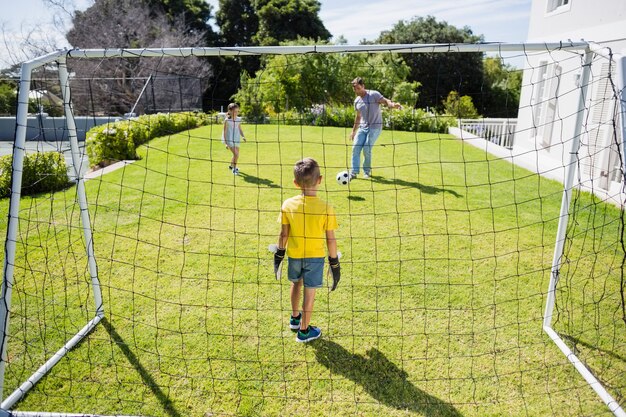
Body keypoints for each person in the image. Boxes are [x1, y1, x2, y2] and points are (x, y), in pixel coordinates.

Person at [273, 158, 340, 343]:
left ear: (295, 183)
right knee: (310, 293)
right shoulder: (326, 208)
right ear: (320, 180)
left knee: (295, 283)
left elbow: (283, 235)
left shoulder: (287, 204)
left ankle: (295, 319)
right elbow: (331, 239)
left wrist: (279, 254)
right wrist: (334, 262)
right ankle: (304, 332)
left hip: (294, 255)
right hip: (315, 258)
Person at [349, 77, 402, 179]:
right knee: (355, 147)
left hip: (375, 127)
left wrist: (391, 104)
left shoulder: (373, 94)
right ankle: (354, 172)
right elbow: (358, 117)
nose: (356, 91)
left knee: (366, 148)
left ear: (363, 86)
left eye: (358, 88)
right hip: (363, 127)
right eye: (355, 89)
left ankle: (366, 171)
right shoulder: (357, 101)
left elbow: (385, 100)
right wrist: (353, 131)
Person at [222, 103, 246, 175]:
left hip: (236, 138)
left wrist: (243, 136)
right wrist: (226, 143)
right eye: (234, 111)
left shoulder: (238, 119)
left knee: (236, 154)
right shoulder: (227, 120)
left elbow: (240, 129)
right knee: (236, 154)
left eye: (237, 111)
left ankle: (231, 166)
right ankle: (234, 169)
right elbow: (225, 132)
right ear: (229, 111)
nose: (236, 113)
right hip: (229, 139)